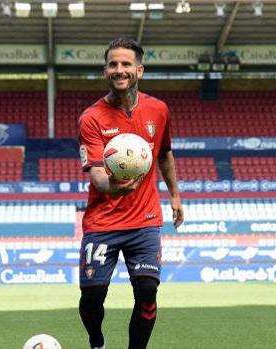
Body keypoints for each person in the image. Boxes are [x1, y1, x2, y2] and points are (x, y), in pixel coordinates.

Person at [77, 37, 184, 349]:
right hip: (102, 223)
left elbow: (164, 153)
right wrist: (115, 187)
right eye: (113, 64)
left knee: (148, 290)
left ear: (140, 70)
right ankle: (97, 342)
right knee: (93, 296)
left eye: (126, 64)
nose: (119, 70)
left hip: (145, 220)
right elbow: (97, 175)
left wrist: (175, 195)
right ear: (105, 70)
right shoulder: (91, 118)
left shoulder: (159, 110)